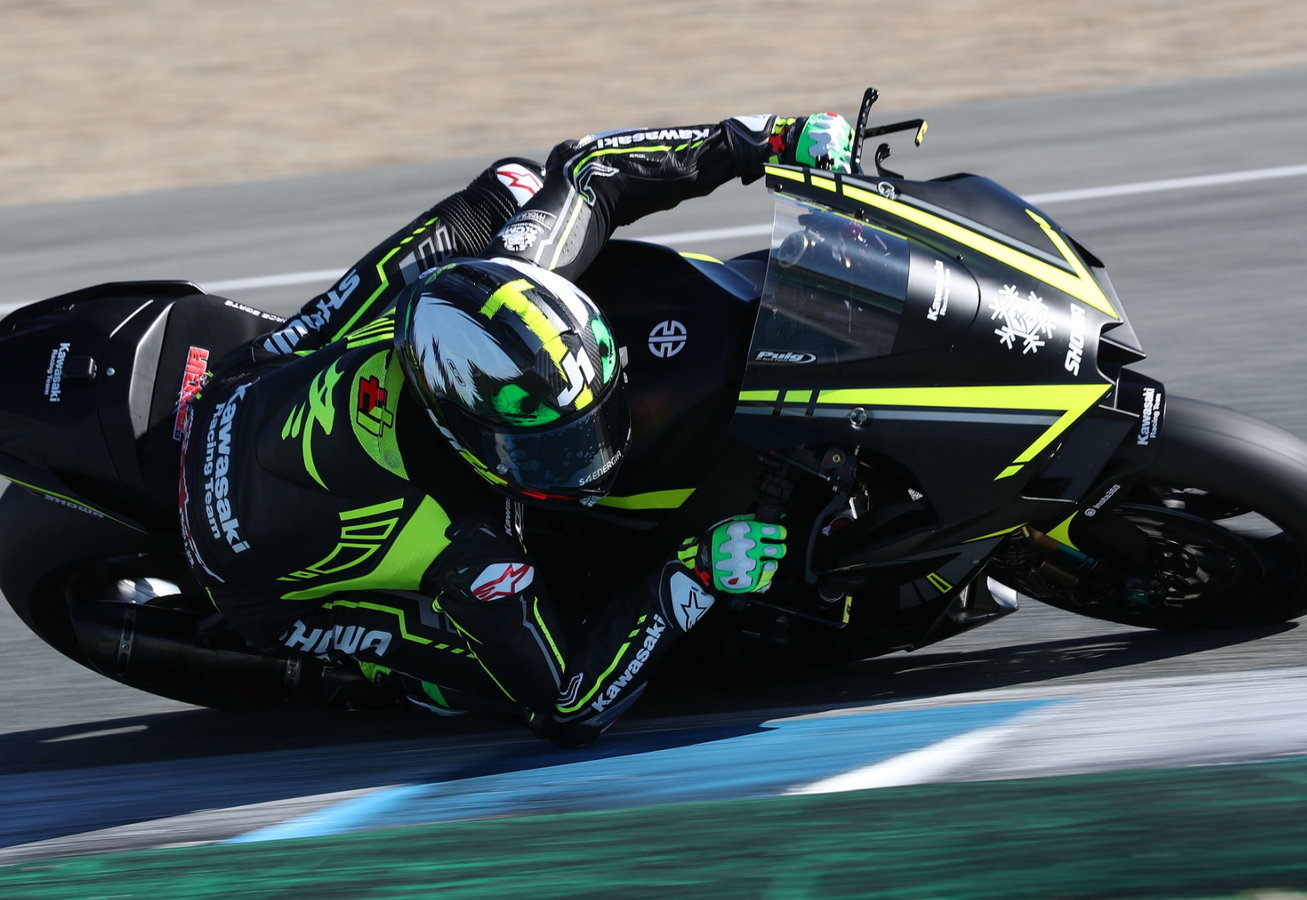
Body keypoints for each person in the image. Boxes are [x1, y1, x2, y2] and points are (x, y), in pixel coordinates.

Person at [177, 111, 856, 746]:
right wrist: (694, 575)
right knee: (473, 685)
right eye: (556, 448)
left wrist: (765, 141)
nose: (589, 460)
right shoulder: (463, 540)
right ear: (465, 438)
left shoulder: (513, 275)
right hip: (250, 577)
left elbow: (590, 168)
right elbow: (569, 707)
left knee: (518, 185)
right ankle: (371, 675)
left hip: (249, 380)